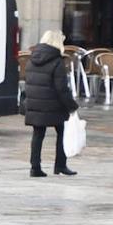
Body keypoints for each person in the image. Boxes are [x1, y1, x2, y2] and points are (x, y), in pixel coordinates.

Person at [24, 29, 79, 177]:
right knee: (62, 132)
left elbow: (28, 82)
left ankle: (35, 168)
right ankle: (60, 165)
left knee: (38, 134)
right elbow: (62, 88)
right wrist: (71, 105)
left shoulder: (32, 58)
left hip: (35, 103)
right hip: (54, 104)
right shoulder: (57, 61)